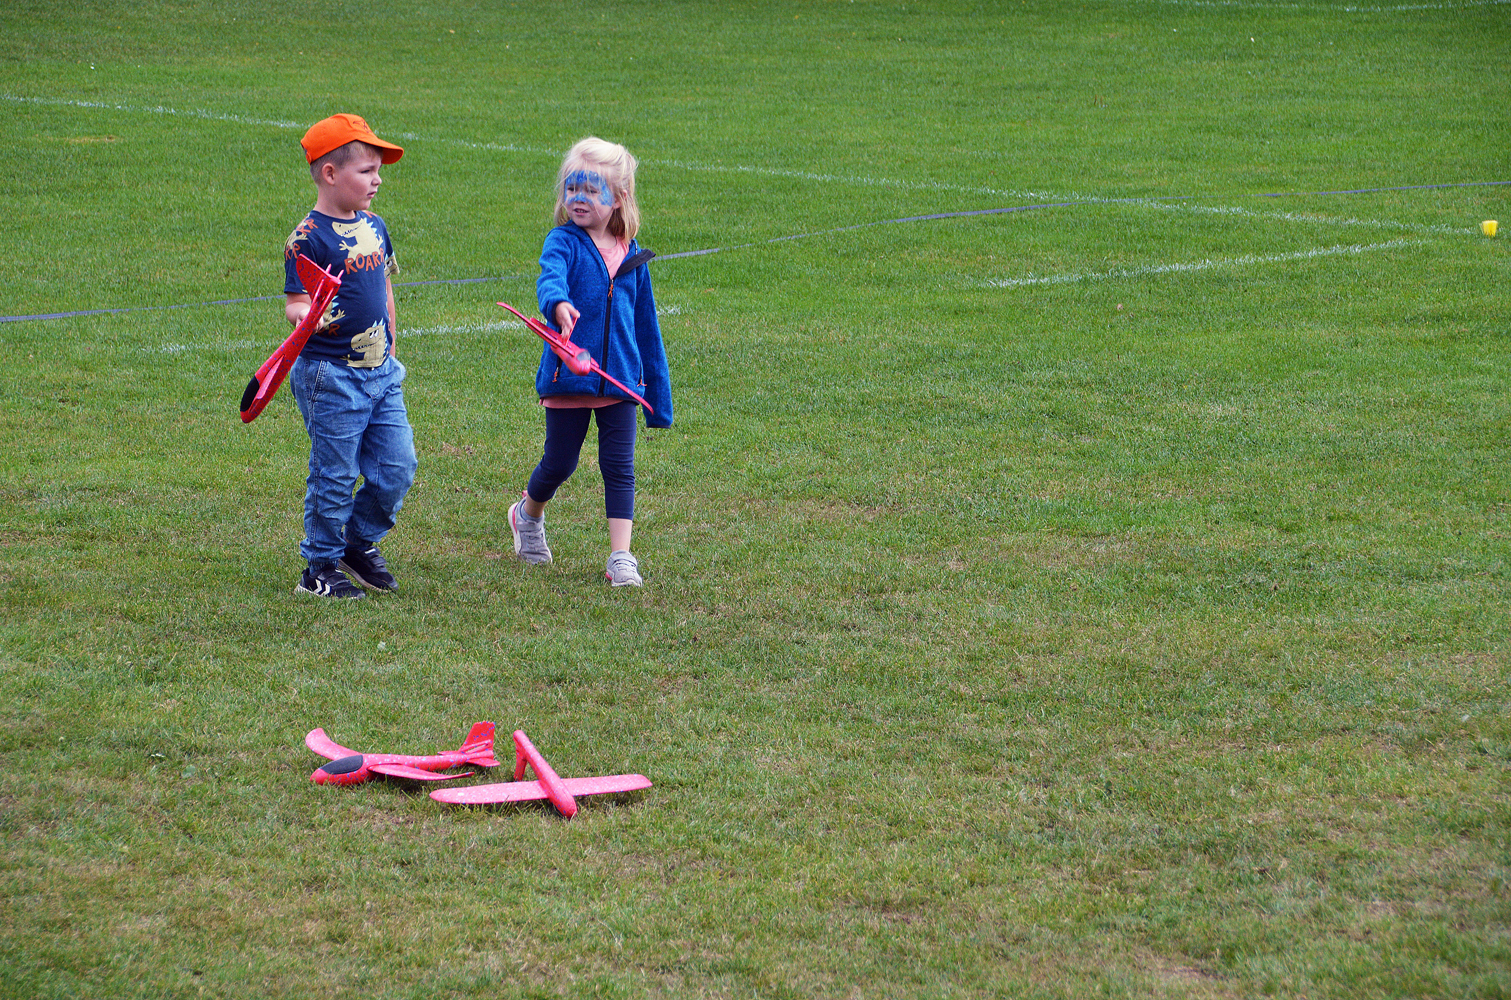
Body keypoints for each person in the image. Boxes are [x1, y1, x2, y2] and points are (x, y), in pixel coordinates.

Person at [508, 137, 674, 587]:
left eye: (590, 189)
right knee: (559, 463)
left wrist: (656, 396)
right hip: (569, 378)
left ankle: (621, 556)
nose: (578, 198)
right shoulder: (562, 242)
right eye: (571, 188)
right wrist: (558, 304)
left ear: (618, 197)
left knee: (619, 468)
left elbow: (647, 328)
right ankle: (527, 514)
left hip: (619, 382)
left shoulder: (632, 254)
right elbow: (550, 279)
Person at [283, 113, 417, 599]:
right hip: (331, 375)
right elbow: (295, 302)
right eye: (366, 171)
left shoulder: (376, 226)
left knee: (397, 467)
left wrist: (392, 345)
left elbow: (385, 287)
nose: (377, 180)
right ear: (330, 173)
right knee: (335, 474)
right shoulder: (307, 238)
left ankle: (356, 543)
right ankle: (319, 566)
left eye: (378, 170)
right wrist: (307, 316)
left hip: (381, 372)